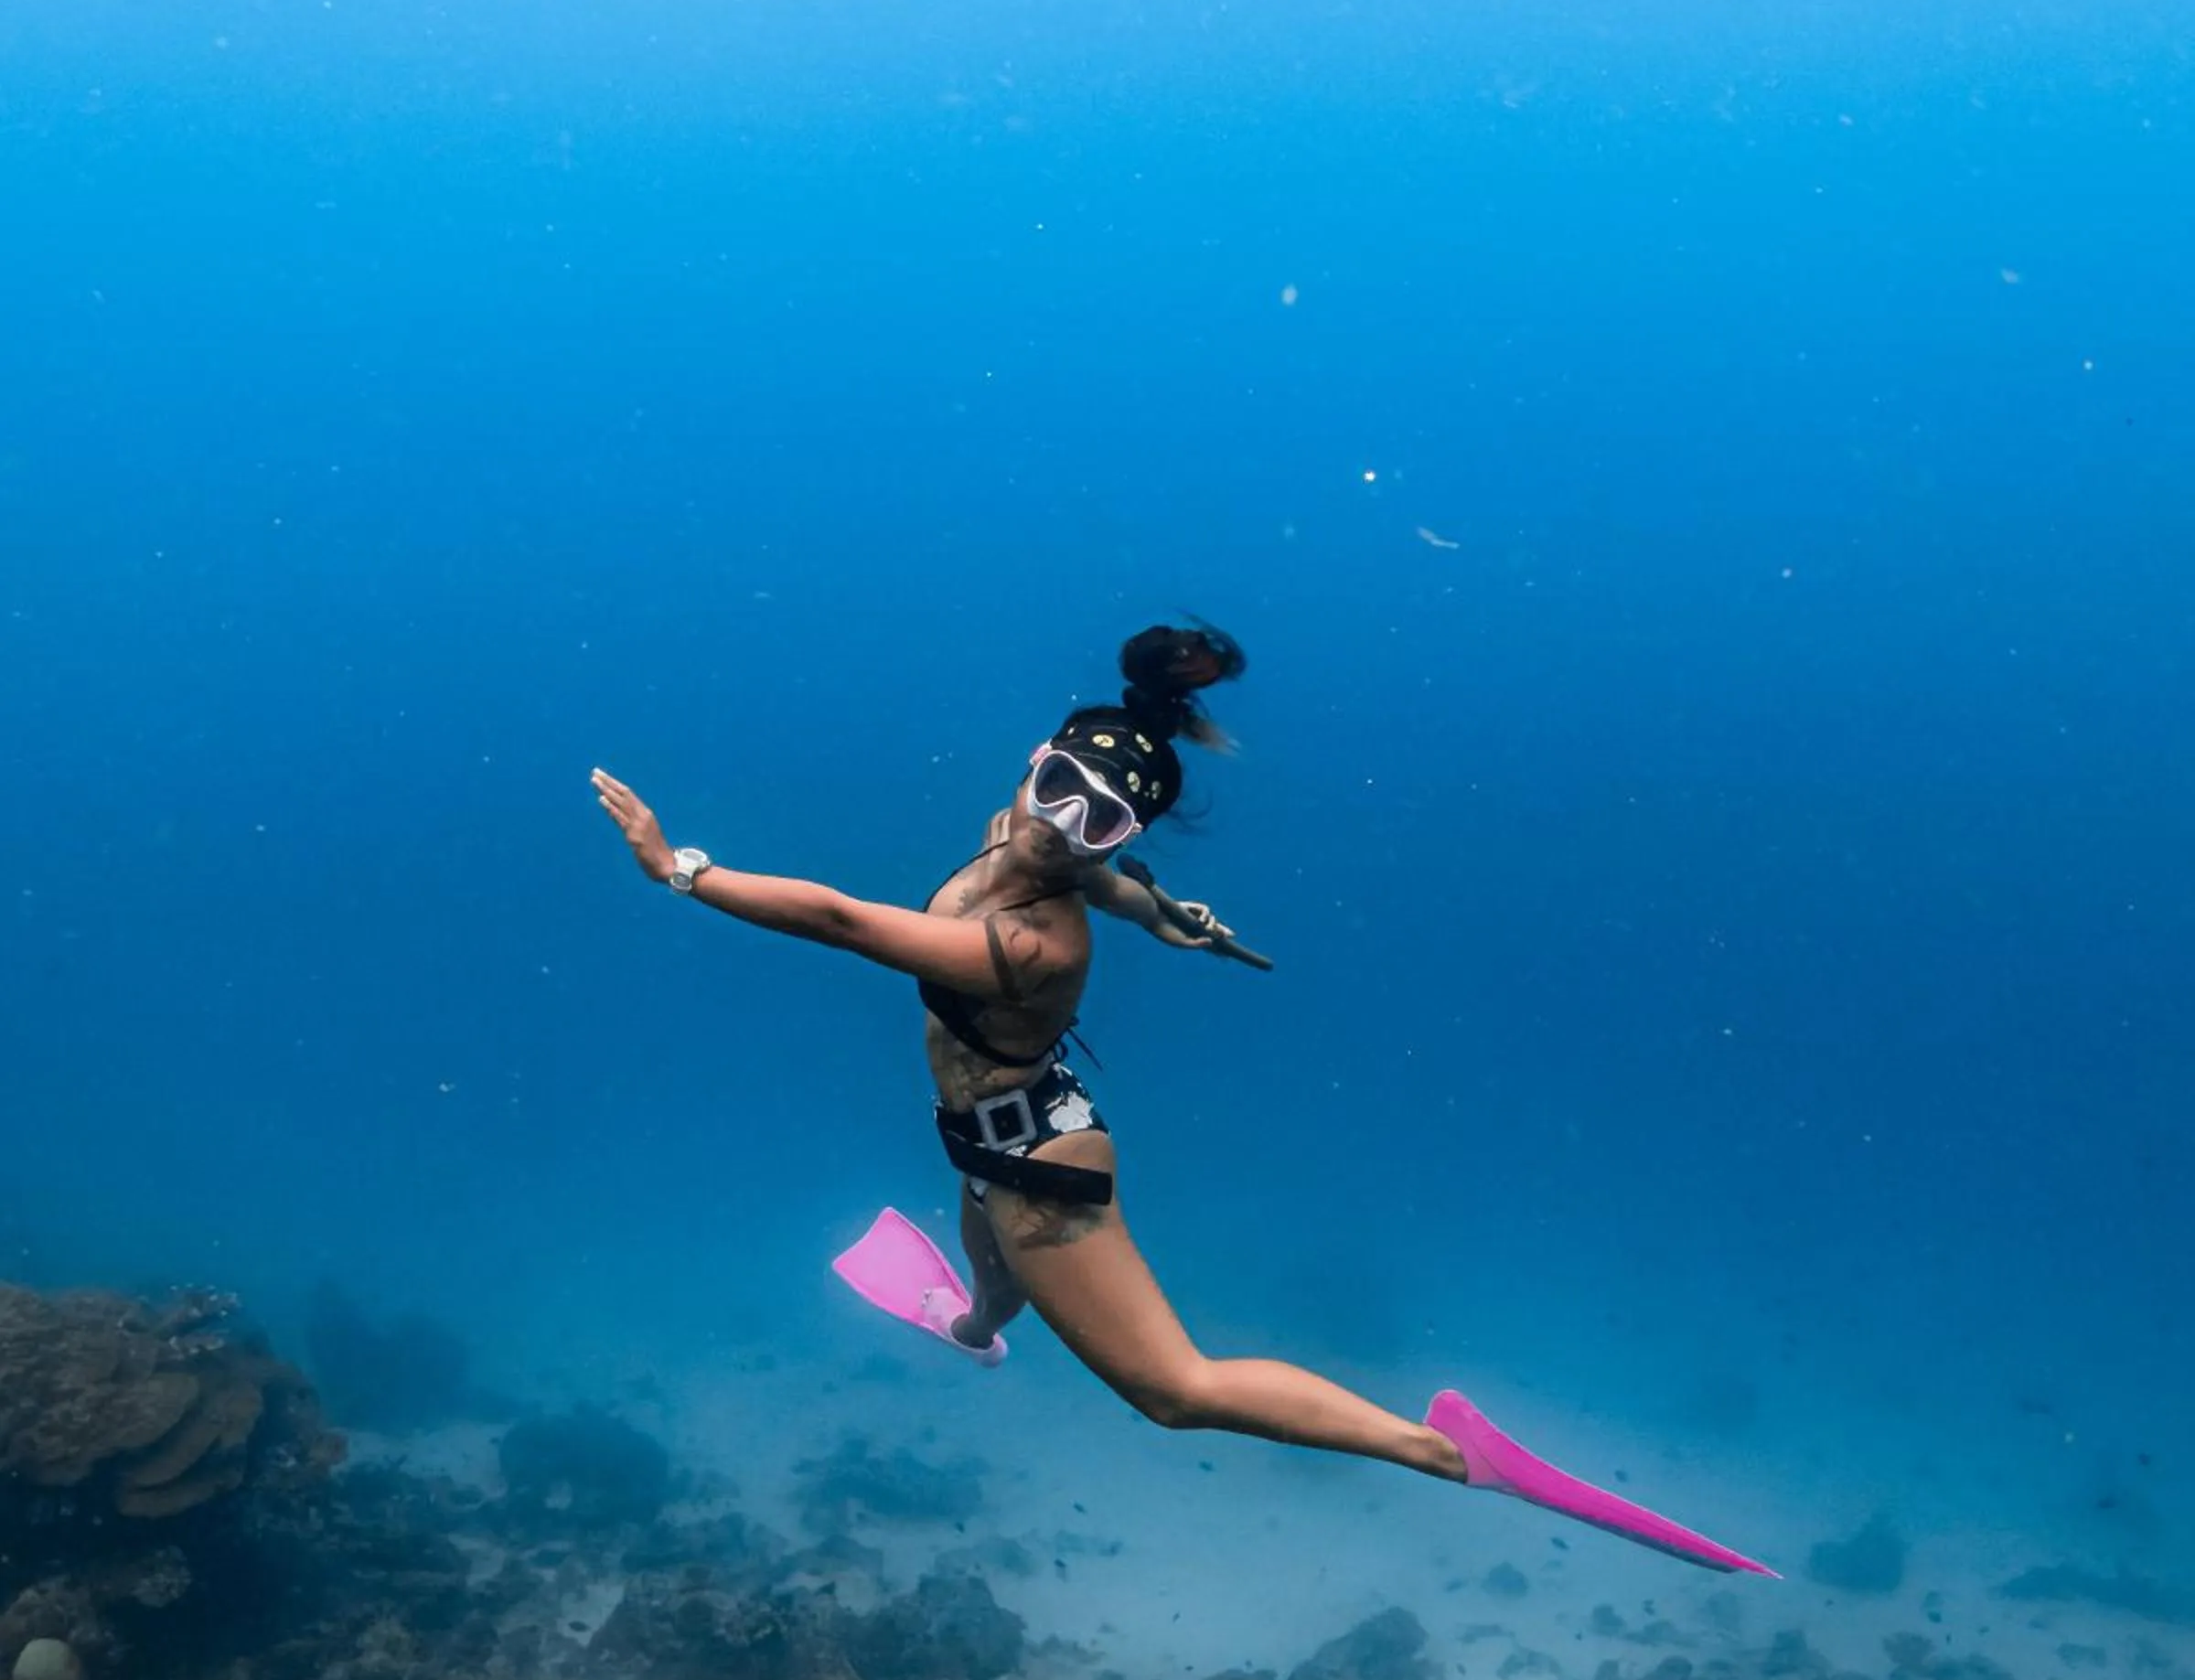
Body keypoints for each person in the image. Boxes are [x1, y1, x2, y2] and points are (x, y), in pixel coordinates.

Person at [591, 622, 1775, 1572]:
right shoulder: (1035, 834)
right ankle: (971, 1329)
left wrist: (679, 868)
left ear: (1127, 824)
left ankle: (1445, 1453)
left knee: (1176, 1391)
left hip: (1043, 1171)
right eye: (1054, 786)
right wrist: (1176, 922)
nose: (1057, 828)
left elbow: (849, 923)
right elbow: (1111, 878)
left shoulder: (1031, 946)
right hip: (991, 1143)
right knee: (990, 1262)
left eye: (1092, 818)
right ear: (1036, 764)